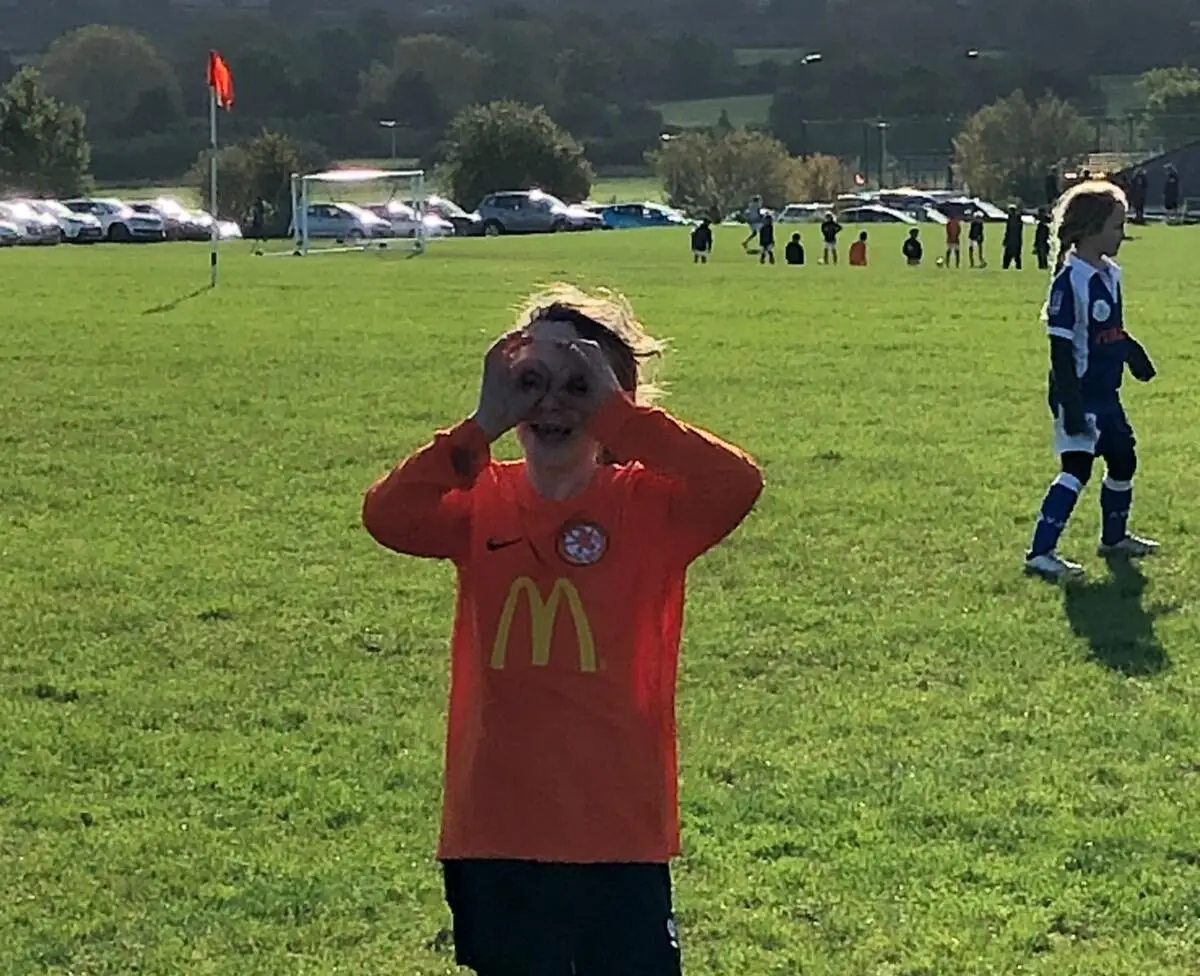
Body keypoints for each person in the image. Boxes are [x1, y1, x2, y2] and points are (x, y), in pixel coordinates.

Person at [361, 284, 763, 976]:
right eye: (532, 382)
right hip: (498, 830)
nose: (553, 403)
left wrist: (621, 420)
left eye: (579, 384)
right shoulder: (478, 503)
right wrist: (481, 425)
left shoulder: (653, 508)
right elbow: (387, 517)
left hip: (619, 832)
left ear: (617, 398)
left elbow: (738, 482)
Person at [1024, 182, 1158, 581]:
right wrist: (1071, 406)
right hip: (1079, 393)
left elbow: (1110, 330)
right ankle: (1040, 552)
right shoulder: (1070, 282)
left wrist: (1134, 355)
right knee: (1077, 468)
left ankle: (1113, 539)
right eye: (1116, 226)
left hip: (1107, 393)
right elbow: (1061, 352)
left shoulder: (1110, 275)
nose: (1122, 234)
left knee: (1123, 460)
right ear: (1090, 229)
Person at [1002, 205, 1023, 270]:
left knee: (1014, 255)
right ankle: (1008, 267)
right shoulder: (1011, 219)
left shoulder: (1015, 219)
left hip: (1014, 241)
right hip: (1013, 240)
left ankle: (1009, 267)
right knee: (1012, 256)